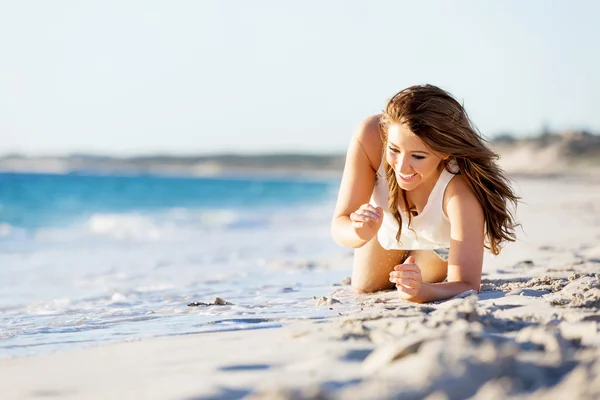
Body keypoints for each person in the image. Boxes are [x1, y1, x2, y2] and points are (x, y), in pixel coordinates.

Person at [331, 84, 518, 303]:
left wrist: (421, 291)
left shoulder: (460, 190)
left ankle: (422, 262)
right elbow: (339, 223)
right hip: (389, 229)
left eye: (418, 157)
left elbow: (467, 285)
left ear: (444, 151)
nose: (401, 167)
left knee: (411, 282)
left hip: (438, 244)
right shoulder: (370, 136)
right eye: (393, 150)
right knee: (366, 287)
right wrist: (358, 231)